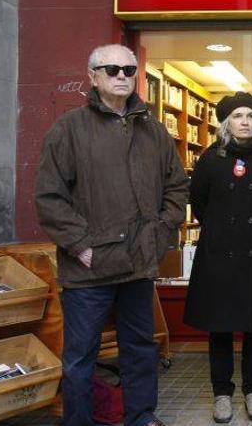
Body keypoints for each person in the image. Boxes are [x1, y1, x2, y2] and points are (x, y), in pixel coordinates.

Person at [35, 44, 187, 426]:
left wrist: (160, 231)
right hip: (89, 270)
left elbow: (177, 186)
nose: (122, 75)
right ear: (93, 76)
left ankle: (140, 417)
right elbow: (50, 197)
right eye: (112, 69)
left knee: (140, 350)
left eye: (129, 69)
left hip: (138, 265)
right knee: (80, 358)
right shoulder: (69, 129)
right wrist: (80, 245)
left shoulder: (154, 131)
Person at [184, 92, 252, 423]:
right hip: (220, 255)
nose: (245, 122)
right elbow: (198, 201)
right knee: (220, 327)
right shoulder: (211, 158)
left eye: (251, 116)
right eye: (238, 116)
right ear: (226, 122)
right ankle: (222, 393)